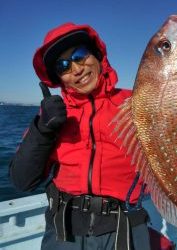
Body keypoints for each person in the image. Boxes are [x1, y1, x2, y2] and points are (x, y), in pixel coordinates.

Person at [9, 22, 151, 250]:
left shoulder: (137, 104)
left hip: (126, 229)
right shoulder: (52, 115)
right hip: (64, 232)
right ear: (58, 78)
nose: (76, 69)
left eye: (80, 55)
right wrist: (43, 129)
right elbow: (22, 180)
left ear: (97, 55)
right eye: (63, 66)